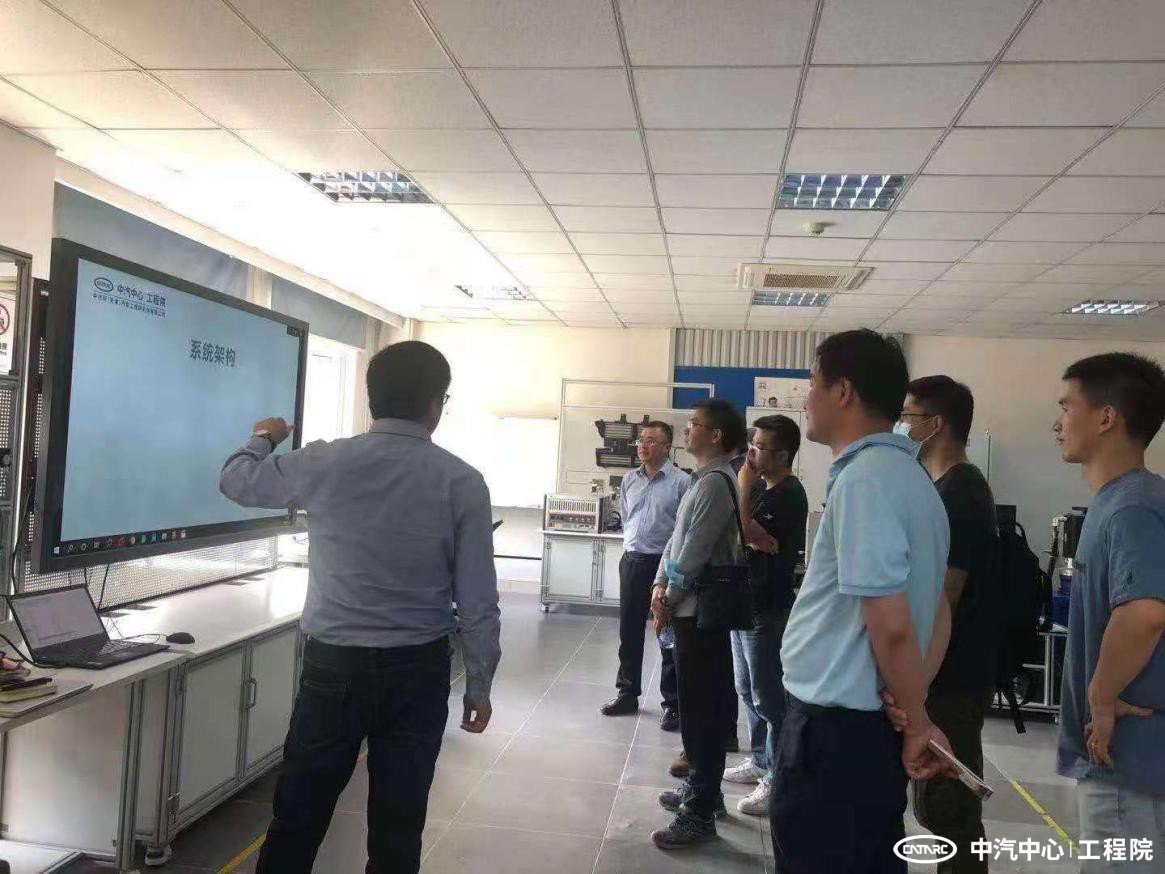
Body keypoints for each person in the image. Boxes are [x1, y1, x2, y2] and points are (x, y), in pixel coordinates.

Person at [219, 340, 502, 874]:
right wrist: (480, 683)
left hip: (334, 666)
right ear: (436, 402)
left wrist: (265, 437)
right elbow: (478, 598)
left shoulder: (323, 461)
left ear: (373, 397)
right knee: (398, 826)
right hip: (418, 671)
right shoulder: (462, 481)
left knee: (298, 816)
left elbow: (236, 481)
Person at [771, 329, 956, 873]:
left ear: (842, 391)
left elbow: (892, 623)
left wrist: (917, 720)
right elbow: (939, 608)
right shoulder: (913, 478)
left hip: (835, 735)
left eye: (812, 383)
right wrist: (912, 700)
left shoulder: (865, 481)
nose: (806, 397)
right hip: (865, 727)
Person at [1052, 352, 1165, 873]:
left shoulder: (1131, 506)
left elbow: (1144, 612)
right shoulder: (1123, 500)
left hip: (1123, 761)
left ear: (1106, 417)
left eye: (1067, 407)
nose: (1058, 424)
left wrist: (1099, 696)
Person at [895, 376, 1000, 874]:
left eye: (908, 416)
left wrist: (910, 677)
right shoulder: (941, 487)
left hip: (951, 677)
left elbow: (942, 599)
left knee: (950, 807)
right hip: (942, 672)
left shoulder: (960, 494)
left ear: (934, 424)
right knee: (935, 804)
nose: (901, 425)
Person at [648, 398, 747, 849]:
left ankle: (700, 813)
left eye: (694, 424)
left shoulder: (716, 484)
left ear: (716, 435)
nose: (686, 430)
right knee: (695, 709)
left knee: (703, 714)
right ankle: (704, 792)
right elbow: (675, 542)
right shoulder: (701, 479)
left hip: (700, 614)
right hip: (686, 608)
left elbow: (692, 555)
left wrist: (667, 599)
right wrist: (659, 585)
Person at [724, 414, 808, 816]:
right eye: (751, 445)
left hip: (768, 609)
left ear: (783, 455)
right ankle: (760, 759)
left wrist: (742, 483)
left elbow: (745, 531)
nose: (751, 454)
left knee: (770, 697)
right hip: (745, 603)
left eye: (758, 447)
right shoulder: (762, 489)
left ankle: (776, 778)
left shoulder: (788, 494)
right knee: (746, 689)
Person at [601, 421, 688, 731]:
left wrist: (668, 574)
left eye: (651, 440)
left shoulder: (682, 482)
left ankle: (673, 704)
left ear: (667, 447)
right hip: (633, 560)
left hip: (664, 565)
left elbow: (683, 529)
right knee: (629, 631)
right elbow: (627, 517)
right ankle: (627, 694)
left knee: (667, 633)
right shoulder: (629, 480)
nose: (643, 445)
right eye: (641, 440)